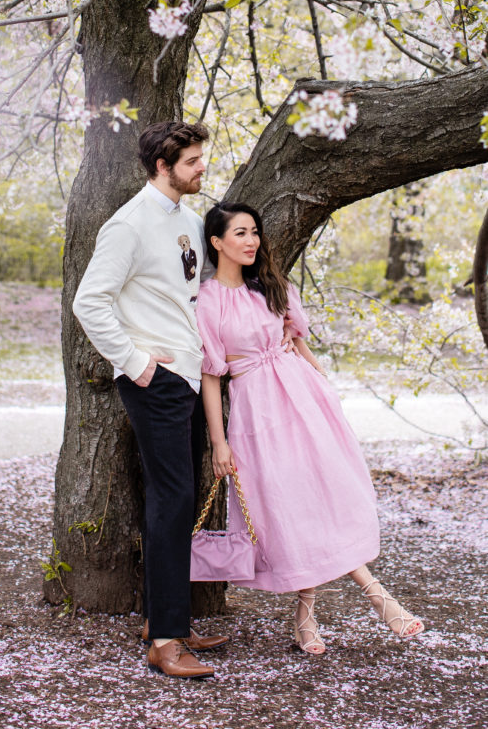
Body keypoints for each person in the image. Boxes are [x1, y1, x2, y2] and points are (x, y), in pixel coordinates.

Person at [196, 201, 425, 655]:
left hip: (301, 399)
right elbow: (210, 375)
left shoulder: (271, 288)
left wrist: (326, 391)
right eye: (240, 233)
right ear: (217, 242)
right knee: (291, 504)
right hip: (256, 410)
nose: (251, 240)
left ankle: (311, 615)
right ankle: (375, 599)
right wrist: (219, 443)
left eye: (254, 232)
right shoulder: (209, 300)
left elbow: (298, 345)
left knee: (324, 494)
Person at [72, 121, 230, 679]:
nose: (201, 168)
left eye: (200, 158)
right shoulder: (128, 224)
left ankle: (169, 619)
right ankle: (165, 642)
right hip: (156, 382)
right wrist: (137, 365)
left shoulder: (187, 220)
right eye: (192, 161)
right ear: (163, 166)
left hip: (188, 377)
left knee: (176, 505)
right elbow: (89, 304)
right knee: (171, 502)